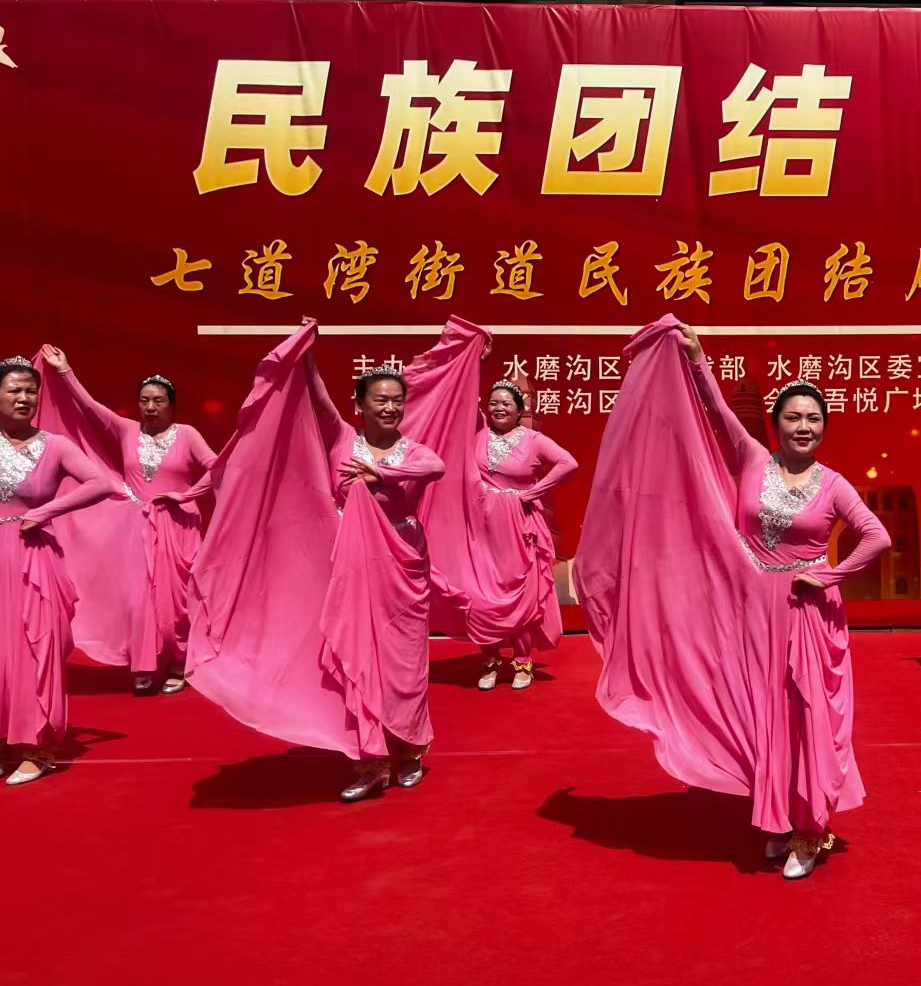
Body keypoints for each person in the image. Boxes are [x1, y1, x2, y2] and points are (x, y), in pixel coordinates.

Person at [573, 317, 891, 879]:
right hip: (751, 609)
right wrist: (698, 360)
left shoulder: (834, 484)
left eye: (813, 419)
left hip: (806, 616)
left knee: (806, 717)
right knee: (758, 712)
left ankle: (810, 830)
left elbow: (877, 537)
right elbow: (716, 412)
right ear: (776, 423)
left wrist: (830, 577)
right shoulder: (753, 458)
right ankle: (778, 816)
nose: (803, 427)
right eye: (793, 417)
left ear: (824, 427)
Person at [184, 322, 467, 802]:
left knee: (403, 661)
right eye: (380, 399)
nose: (390, 407)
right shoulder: (342, 438)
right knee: (352, 656)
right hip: (349, 565)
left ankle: (411, 746)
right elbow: (318, 400)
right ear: (360, 405)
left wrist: (381, 472)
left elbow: (435, 468)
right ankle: (369, 758)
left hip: (402, 567)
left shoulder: (414, 450)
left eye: (397, 400)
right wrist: (307, 355)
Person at [35, 347, 219, 694]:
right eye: (144, 400)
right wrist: (64, 372)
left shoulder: (187, 434)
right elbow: (90, 407)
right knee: (139, 600)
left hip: (177, 528)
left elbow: (217, 468)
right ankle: (145, 663)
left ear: (171, 405)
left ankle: (179, 663)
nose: (150, 407)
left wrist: (185, 496)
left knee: (177, 603)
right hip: (137, 527)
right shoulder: (126, 429)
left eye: (158, 400)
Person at [0, 356, 114, 785]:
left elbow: (102, 483)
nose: (24, 398)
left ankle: (38, 746)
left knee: (35, 650)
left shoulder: (56, 446)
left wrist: (46, 511)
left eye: (31, 391)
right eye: (14, 390)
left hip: (33, 557)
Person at [464, 381, 579, 691]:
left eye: (506, 403)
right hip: (481, 525)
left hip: (519, 526)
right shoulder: (478, 432)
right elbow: (460, 394)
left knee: (520, 595)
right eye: (493, 403)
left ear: (519, 410)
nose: (499, 408)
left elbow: (569, 463)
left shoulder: (533, 440)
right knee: (482, 595)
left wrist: (532, 493)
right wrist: (474, 359)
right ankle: (490, 660)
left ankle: (523, 661)